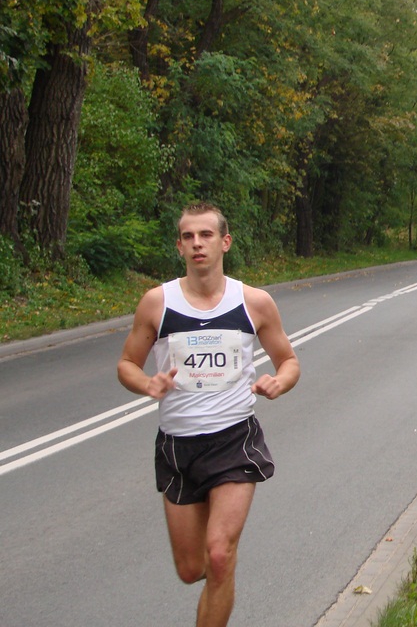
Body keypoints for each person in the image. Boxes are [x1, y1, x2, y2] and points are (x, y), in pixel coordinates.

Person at [117, 202, 301, 627]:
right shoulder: (157, 303)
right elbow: (127, 363)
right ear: (180, 246)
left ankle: (224, 563)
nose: (197, 243)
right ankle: (223, 570)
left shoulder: (253, 302)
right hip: (178, 446)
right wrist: (147, 384)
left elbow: (288, 360)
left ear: (225, 242)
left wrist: (279, 381)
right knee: (191, 569)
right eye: (188, 237)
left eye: (206, 235)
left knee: (218, 555)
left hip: (234, 440)